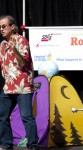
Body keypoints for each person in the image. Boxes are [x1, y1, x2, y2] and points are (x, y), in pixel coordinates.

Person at [0, 15, 39, 150]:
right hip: (8, 86)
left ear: (12, 26)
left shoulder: (21, 40)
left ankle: (33, 145)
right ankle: (6, 144)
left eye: (4, 26)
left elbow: (23, 63)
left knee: (26, 117)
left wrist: (14, 49)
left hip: (22, 86)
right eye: (0, 27)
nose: (1, 29)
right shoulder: (2, 44)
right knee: (2, 116)